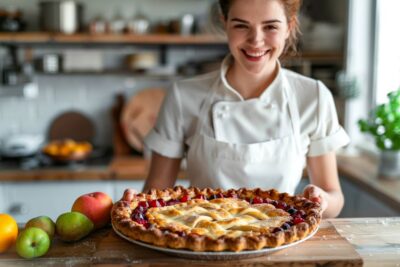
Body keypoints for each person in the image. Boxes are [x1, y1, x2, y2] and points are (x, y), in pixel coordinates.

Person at [126, 0, 350, 218]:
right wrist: (136, 205)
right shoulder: (183, 96)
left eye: (270, 26)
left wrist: (322, 199)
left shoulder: (313, 97)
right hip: (201, 240)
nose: (256, 41)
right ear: (225, 23)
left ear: (289, 27)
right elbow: (155, 192)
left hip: (282, 238)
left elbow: (334, 198)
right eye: (241, 25)